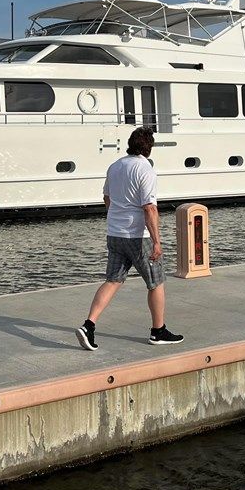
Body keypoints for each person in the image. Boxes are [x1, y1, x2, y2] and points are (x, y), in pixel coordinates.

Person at [76, 126, 184, 350]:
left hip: (115, 233)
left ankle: (89, 325)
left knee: (113, 280)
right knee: (156, 283)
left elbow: (107, 197)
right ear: (149, 148)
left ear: (130, 144)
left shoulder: (115, 166)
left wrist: (116, 218)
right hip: (138, 237)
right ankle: (158, 331)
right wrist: (156, 242)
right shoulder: (145, 169)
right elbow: (149, 208)